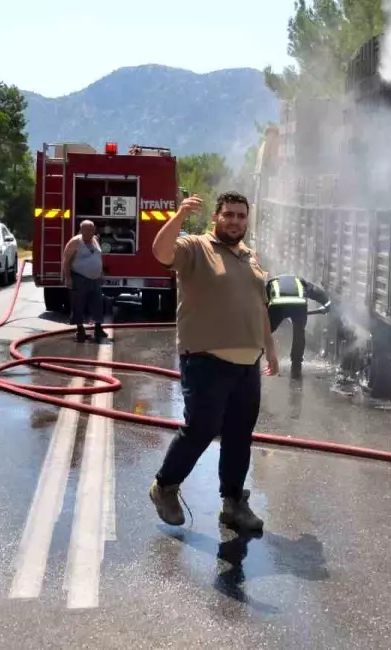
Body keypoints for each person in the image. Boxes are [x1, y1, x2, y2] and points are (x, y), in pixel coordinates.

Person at [147, 190, 280, 532]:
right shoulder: (195, 247)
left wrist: (271, 349)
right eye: (229, 214)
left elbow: (259, 306)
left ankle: (233, 502)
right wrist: (177, 215)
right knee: (202, 429)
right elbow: (160, 252)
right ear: (216, 218)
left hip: (248, 363)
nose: (235, 221)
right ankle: (165, 486)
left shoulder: (250, 257)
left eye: (241, 215)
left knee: (239, 435)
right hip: (206, 359)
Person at [266, 273, 331, 379]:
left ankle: (255, 353)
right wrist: (327, 306)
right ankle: (296, 363)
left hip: (277, 305)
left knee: (267, 330)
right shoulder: (301, 281)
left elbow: (262, 300)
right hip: (299, 305)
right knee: (299, 333)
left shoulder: (271, 282)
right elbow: (319, 293)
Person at [61, 220, 107, 343]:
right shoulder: (75, 242)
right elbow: (66, 261)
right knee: (78, 305)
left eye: (92, 229)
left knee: (98, 304)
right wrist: (68, 278)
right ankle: (80, 330)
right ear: (81, 230)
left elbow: (98, 257)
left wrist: (101, 273)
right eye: (87, 230)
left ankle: (98, 329)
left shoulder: (95, 240)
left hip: (95, 279)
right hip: (79, 277)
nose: (90, 232)